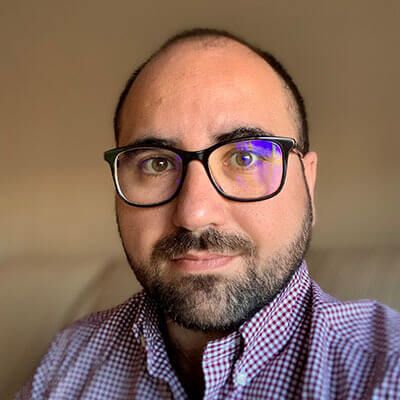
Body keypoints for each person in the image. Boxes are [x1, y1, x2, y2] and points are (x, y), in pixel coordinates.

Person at [18, 28, 400, 400]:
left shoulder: (386, 373)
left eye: (245, 157)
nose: (194, 213)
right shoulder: (68, 362)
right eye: (156, 163)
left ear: (308, 183)